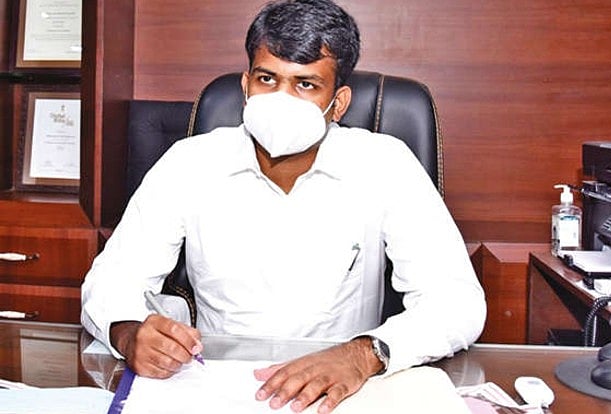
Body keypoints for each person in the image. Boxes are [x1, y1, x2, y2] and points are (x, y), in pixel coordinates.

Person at [81, 0, 486, 412]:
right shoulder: (189, 163)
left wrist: (364, 354)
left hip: (342, 392)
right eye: (267, 79)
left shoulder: (386, 164)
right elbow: (111, 282)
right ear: (246, 87)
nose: (281, 99)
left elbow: (456, 303)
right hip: (213, 387)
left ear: (338, 103)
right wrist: (129, 333)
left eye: (305, 84)